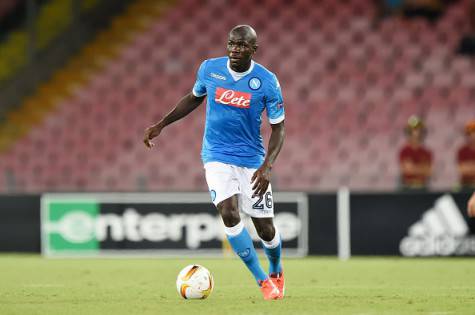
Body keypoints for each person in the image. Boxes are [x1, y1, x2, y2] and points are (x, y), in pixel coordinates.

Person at [143, 25, 285, 300]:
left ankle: (276, 267)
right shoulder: (210, 69)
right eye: (231, 44)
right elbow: (194, 98)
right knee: (229, 213)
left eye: (242, 45)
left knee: (266, 230)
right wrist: (162, 124)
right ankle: (262, 281)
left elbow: (279, 127)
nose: (235, 49)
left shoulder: (267, 81)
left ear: (254, 50)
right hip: (216, 155)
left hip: (252, 161)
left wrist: (267, 165)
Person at [398, 116, 433, 191]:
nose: (417, 132)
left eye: (419, 130)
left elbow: (429, 171)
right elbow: (406, 170)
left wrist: (413, 168)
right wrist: (422, 169)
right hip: (407, 187)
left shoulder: (426, 152)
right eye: (414, 130)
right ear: (409, 132)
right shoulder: (404, 151)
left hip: (423, 187)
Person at [457, 120, 475, 190]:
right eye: (471, 132)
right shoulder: (462, 150)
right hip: (466, 186)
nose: (473, 135)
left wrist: (469, 166)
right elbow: (462, 170)